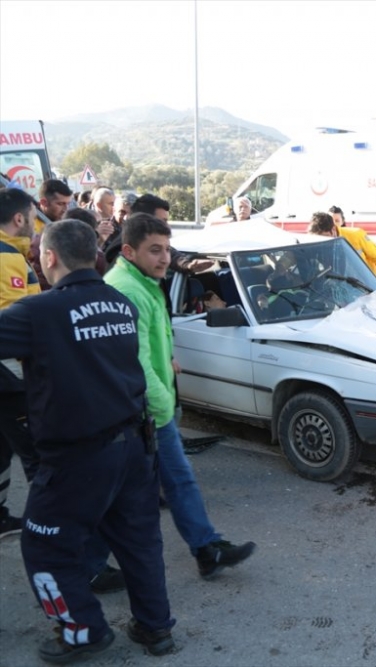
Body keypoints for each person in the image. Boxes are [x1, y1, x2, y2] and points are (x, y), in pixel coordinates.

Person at [0, 218, 176, 661]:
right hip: (134, 447)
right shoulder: (120, 303)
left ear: (49, 257)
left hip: (77, 459)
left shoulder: (38, 311)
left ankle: (83, 631)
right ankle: (156, 629)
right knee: (139, 543)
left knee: (44, 544)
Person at [103, 213, 256, 580]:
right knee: (119, 495)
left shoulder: (142, 280)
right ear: (128, 250)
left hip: (151, 407)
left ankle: (206, 549)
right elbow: (135, 362)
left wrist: (167, 358)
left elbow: (149, 341)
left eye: (167, 250)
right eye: (154, 250)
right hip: (142, 410)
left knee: (173, 482)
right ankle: (89, 564)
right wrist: (163, 407)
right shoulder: (125, 289)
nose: (164, 259)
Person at [0, 187, 41, 535]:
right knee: (37, 457)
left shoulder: (11, 253)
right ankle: (56, 537)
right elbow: (16, 323)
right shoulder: (7, 257)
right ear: (18, 219)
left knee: (1, 446)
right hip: (11, 377)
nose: (34, 224)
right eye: (32, 217)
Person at [312, 211, 376, 283]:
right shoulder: (317, 242)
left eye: (325, 236)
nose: (323, 241)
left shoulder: (355, 235)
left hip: (365, 286)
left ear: (333, 230)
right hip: (341, 286)